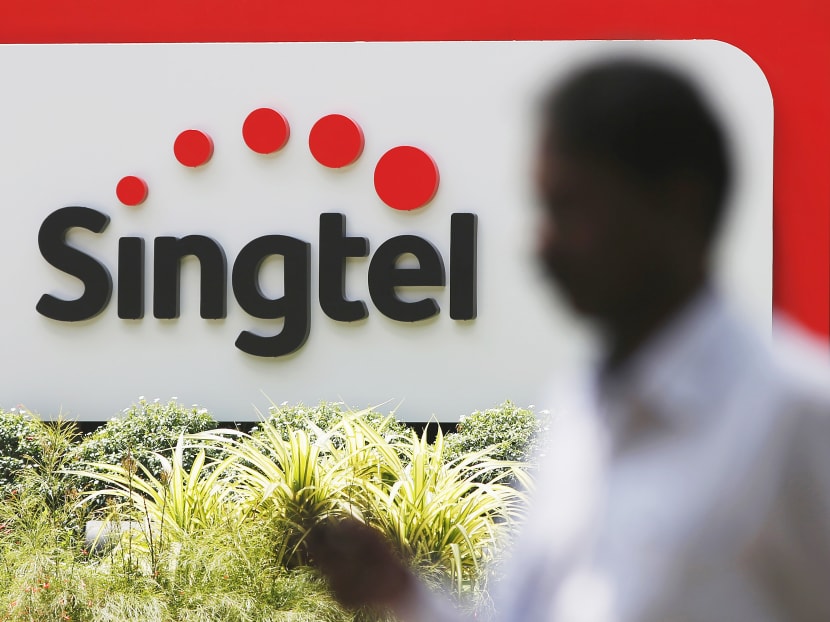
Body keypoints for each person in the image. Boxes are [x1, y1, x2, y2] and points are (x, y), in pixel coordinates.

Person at [309, 58, 830, 622]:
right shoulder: (577, 409)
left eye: (571, 208)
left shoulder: (795, 415)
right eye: (543, 209)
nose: (543, 246)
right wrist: (404, 595)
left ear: (680, 202)